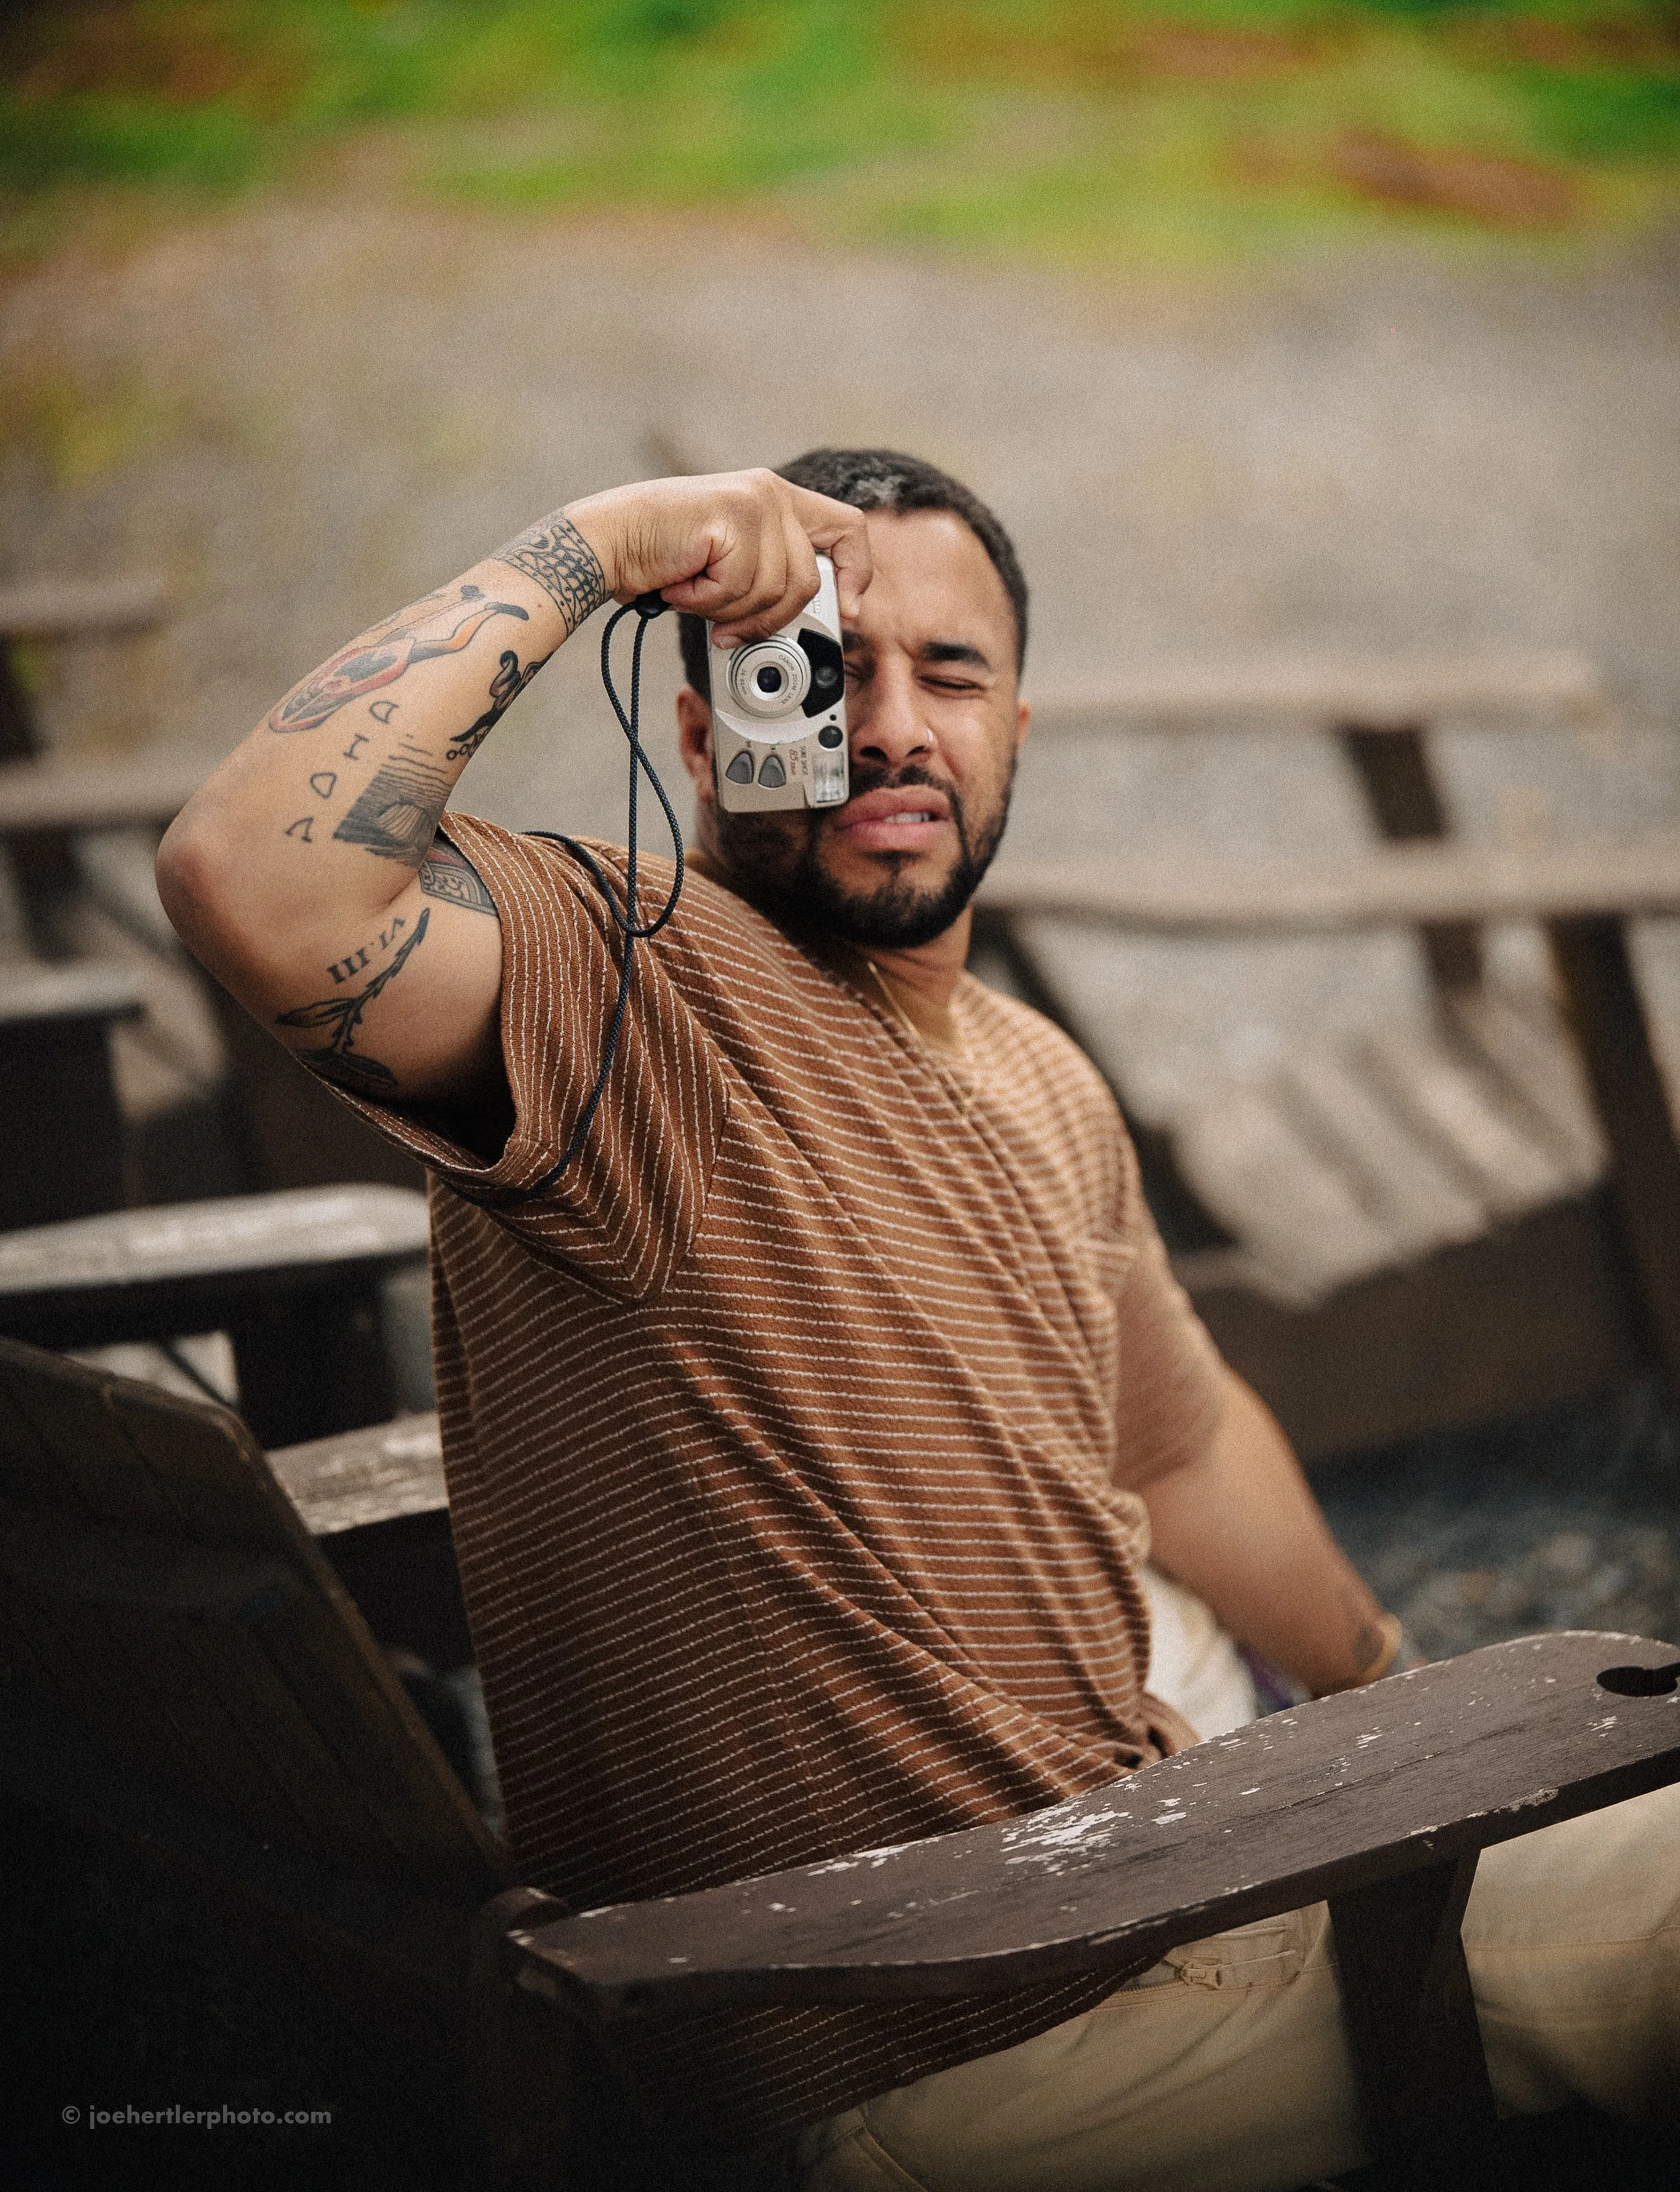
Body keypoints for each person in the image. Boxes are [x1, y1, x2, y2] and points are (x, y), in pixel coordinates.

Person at [158, 452, 1677, 2188]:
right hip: (974, 2016)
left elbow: (1173, 1445)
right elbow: (252, 877)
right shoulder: (623, 988)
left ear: (1017, 727)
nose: (889, 725)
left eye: (946, 674)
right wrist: (615, 539)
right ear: (699, 724)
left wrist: (1409, 1707)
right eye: (816, 664)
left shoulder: (1033, 1069)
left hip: (1175, 1839)